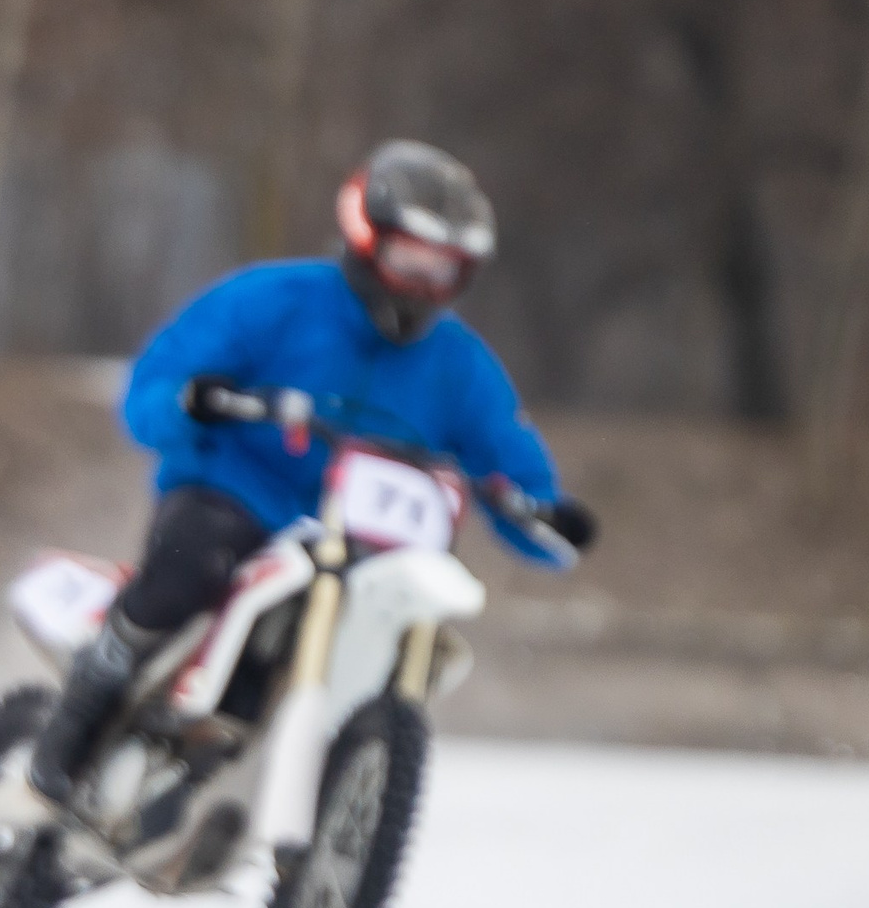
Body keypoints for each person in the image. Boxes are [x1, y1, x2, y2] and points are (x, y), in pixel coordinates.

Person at [30, 139, 596, 806]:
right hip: (233, 492)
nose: (424, 280)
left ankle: (255, 790)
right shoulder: (275, 298)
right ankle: (78, 714)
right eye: (411, 255)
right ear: (367, 235)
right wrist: (189, 403)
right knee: (193, 565)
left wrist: (543, 513)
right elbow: (155, 382)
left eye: (445, 267)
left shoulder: (462, 367)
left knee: (355, 638)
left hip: (360, 547)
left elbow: (509, 459)